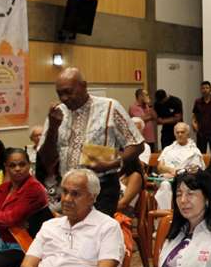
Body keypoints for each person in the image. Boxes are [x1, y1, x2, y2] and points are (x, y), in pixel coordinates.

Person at [37, 68, 144, 216]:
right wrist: (53, 128)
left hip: (101, 189)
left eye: (69, 92)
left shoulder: (110, 107)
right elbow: (46, 159)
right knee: (71, 235)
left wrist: (112, 164)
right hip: (67, 189)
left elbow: (137, 144)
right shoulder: (57, 113)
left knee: (94, 235)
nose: (64, 98)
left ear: (84, 86)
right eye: (60, 93)